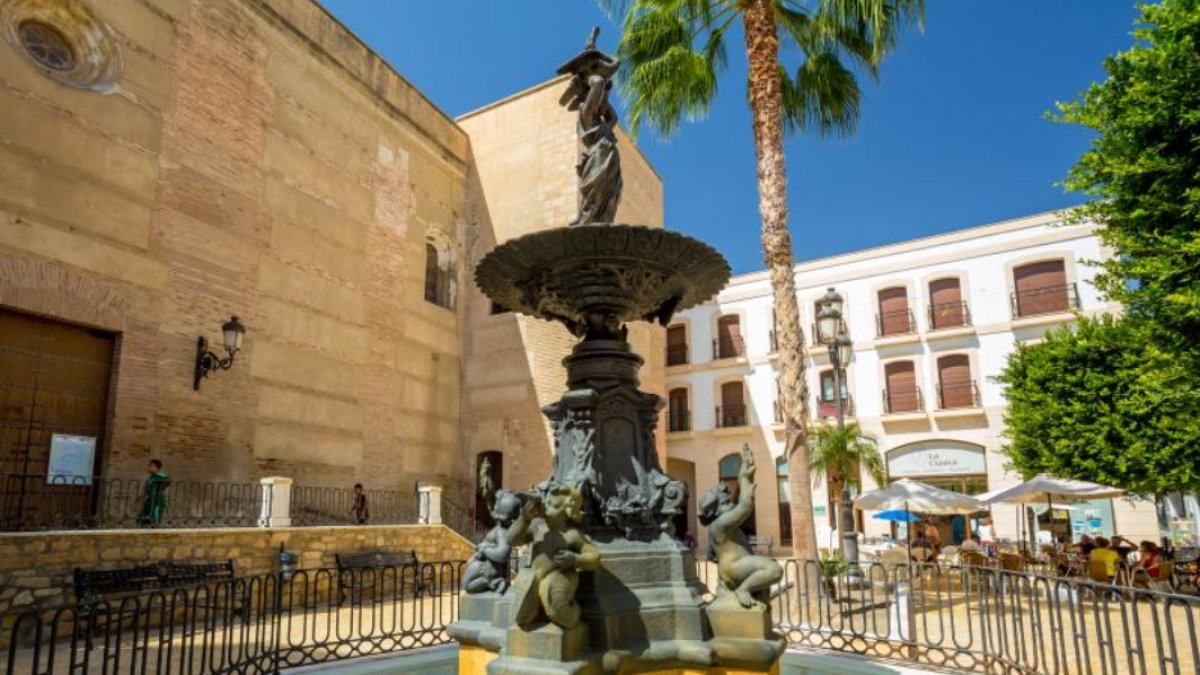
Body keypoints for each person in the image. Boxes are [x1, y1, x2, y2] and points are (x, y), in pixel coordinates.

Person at [137, 459, 169, 526]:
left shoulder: (160, 475)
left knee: (154, 520)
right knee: (143, 519)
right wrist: (142, 496)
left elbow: (168, 480)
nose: (148, 467)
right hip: (149, 501)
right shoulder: (151, 477)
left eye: (150, 466)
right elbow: (148, 488)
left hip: (157, 501)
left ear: (156, 467)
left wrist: (160, 489)